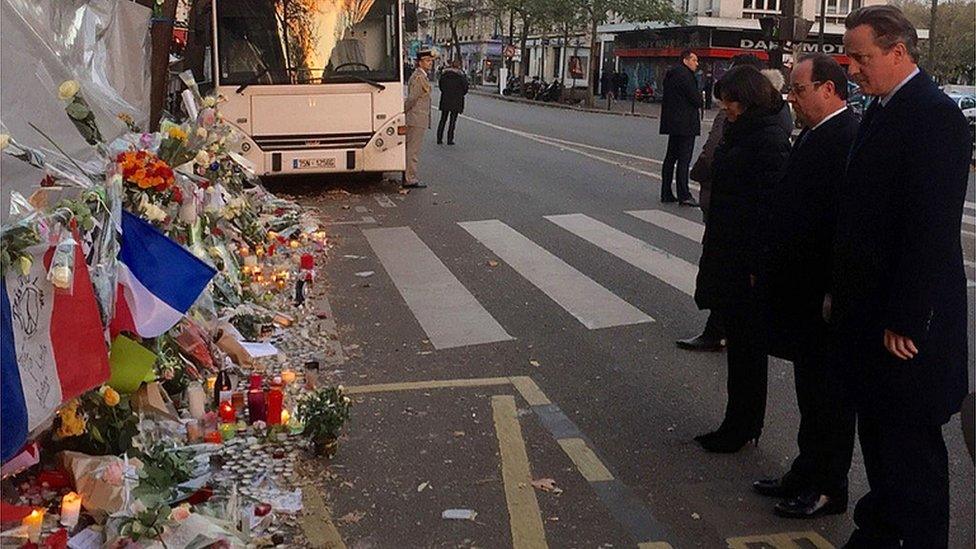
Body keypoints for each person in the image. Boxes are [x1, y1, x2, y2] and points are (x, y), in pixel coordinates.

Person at [834, 6, 970, 547]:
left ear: (898, 52)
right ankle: (880, 530)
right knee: (882, 436)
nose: (852, 68)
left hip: (909, 324)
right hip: (873, 310)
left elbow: (930, 229)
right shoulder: (887, 107)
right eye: (848, 57)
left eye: (861, 57)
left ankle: (915, 538)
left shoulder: (934, 116)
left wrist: (907, 319)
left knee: (911, 448)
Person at [753, 53, 858, 519]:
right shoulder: (819, 133)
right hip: (801, 288)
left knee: (827, 399)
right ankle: (806, 469)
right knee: (808, 392)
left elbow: (841, 226)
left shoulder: (845, 138)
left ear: (829, 90)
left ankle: (827, 486)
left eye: (798, 89)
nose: (790, 99)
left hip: (821, 293)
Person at [692, 65, 790, 453]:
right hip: (730, 251)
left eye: (729, 101)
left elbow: (767, 210)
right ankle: (737, 422)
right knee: (741, 347)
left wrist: (756, 266)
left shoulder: (767, 139)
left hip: (746, 261)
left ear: (747, 99)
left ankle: (742, 426)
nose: (725, 108)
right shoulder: (745, 131)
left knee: (748, 351)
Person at [678, 54, 765, 353]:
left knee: (724, 268)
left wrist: (698, 173)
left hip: (726, 206)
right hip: (729, 207)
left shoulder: (741, 117)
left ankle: (719, 330)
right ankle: (719, 327)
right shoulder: (768, 113)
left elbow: (713, 152)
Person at [659, 50, 703, 207]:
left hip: (673, 122)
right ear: (686, 60)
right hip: (686, 123)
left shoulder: (671, 74)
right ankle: (684, 194)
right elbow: (696, 99)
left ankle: (666, 192)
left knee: (671, 157)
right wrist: (700, 99)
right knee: (684, 159)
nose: (697, 63)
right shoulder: (686, 76)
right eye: (694, 60)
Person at [404, 49, 435, 189]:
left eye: (431, 61)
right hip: (416, 118)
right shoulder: (418, 78)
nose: (430, 64)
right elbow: (412, 99)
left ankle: (408, 176)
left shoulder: (422, 76)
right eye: (427, 61)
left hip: (417, 117)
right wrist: (403, 111)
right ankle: (410, 178)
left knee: (412, 148)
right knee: (413, 150)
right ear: (420, 62)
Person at [437, 59, 469, 145]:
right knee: (452, 120)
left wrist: (446, 92)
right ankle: (449, 139)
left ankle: (439, 138)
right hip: (456, 100)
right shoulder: (461, 76)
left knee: (443, 119)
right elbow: (465, 88)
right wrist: (460, 94)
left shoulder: (444, 74)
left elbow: (441, 86)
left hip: (446, 99)